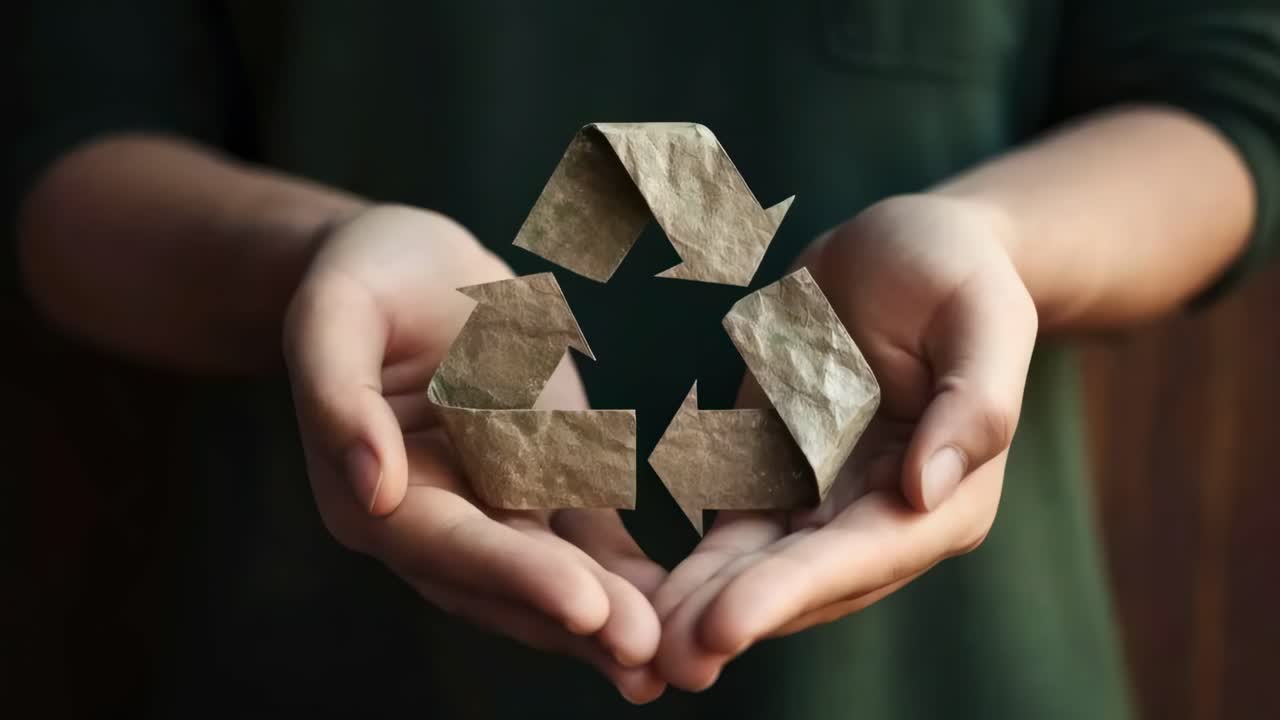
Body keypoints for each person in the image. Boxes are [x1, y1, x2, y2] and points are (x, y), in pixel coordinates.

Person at [10, 1, 1280, 717]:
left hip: (941, 671)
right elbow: (66, 145)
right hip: (343, 660)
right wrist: (320, 258)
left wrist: (989, 245)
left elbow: (1226, 105)